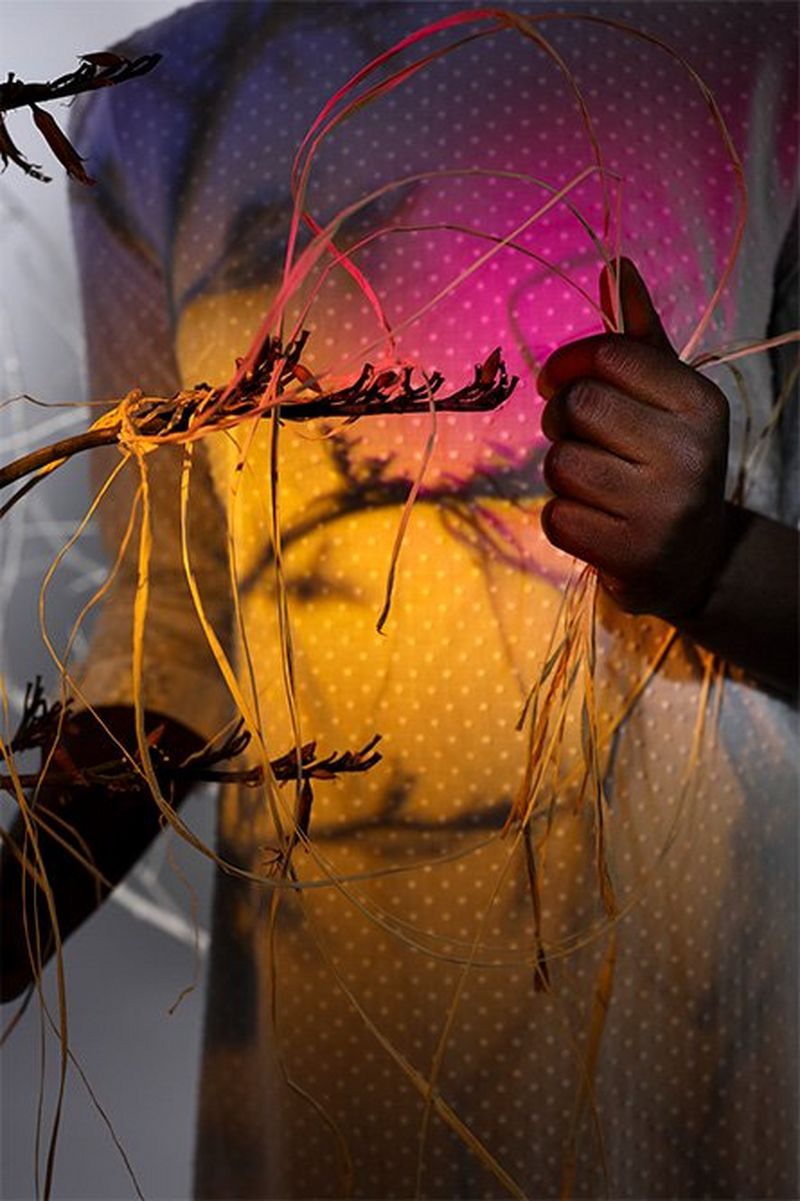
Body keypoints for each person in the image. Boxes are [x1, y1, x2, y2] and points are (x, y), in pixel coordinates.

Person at [2, 3, 797, 1197]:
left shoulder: (757, 43)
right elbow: (178, 617)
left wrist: (706, 557)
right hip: (335, 1054)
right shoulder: (155, 97)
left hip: (700, 1036)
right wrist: (18, 908)